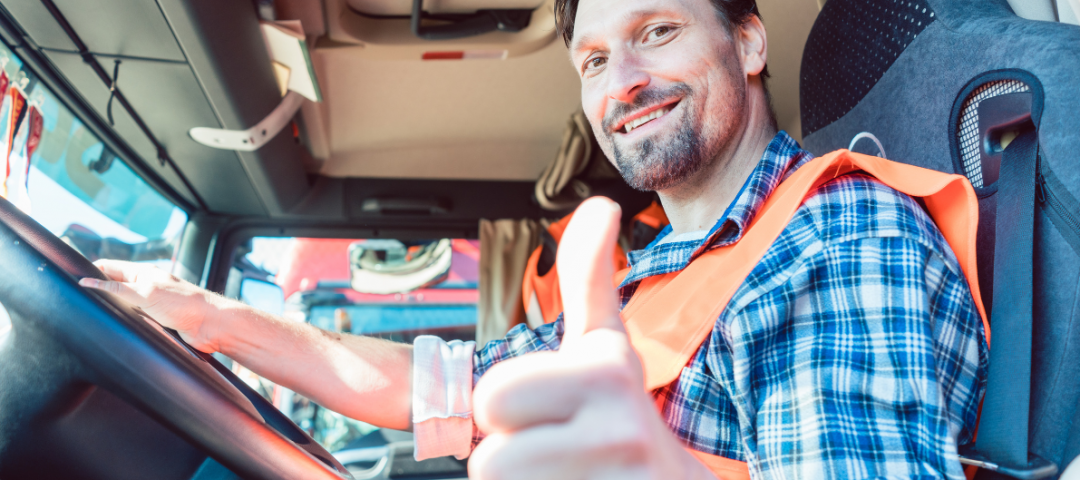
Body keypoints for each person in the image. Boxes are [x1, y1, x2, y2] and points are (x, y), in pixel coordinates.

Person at [80, 0, 988, 477]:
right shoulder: (654, 277)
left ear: (749, 45)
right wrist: (212, 321)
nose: (622, 81)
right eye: (594, 61)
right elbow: (434, 390)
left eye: (657, 32)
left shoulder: (836, 235)